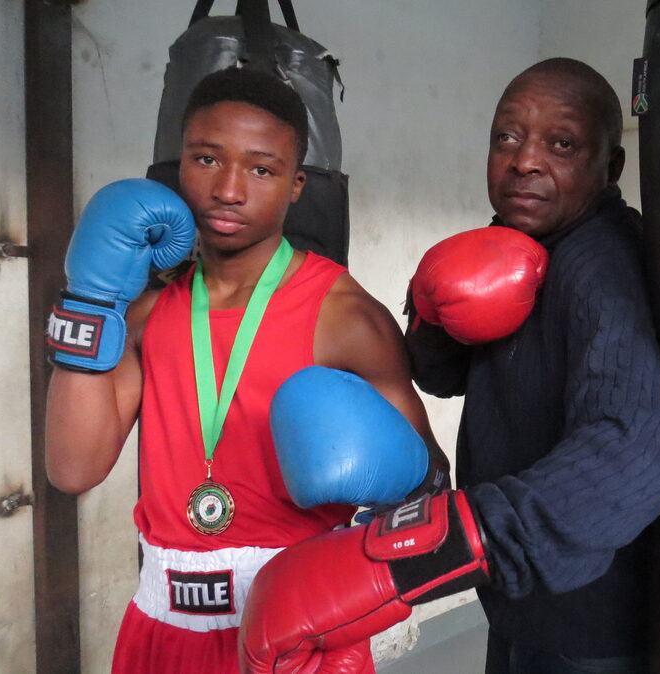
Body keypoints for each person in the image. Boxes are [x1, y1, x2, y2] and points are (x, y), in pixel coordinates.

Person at [239, 57, 660, 674]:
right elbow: (443, 378)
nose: (525, 160)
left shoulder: (601, 267)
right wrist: (432, 312)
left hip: (587, 618)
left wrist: (438, 545)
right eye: (507, 137)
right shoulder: (515, 244)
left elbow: (629, 456)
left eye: (562, 144)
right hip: (520, 596)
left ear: (612, 166)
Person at [44, 67, 446, 674]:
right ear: (178, 164)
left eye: (261, 169)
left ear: (296, 185)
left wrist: (386, 492)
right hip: (159, 627)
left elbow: (429, 485)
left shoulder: (345, 318)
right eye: (207, 159)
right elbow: (73, 469)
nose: (228, 190)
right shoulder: (147, 312)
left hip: (296, 632)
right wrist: (90, 301)